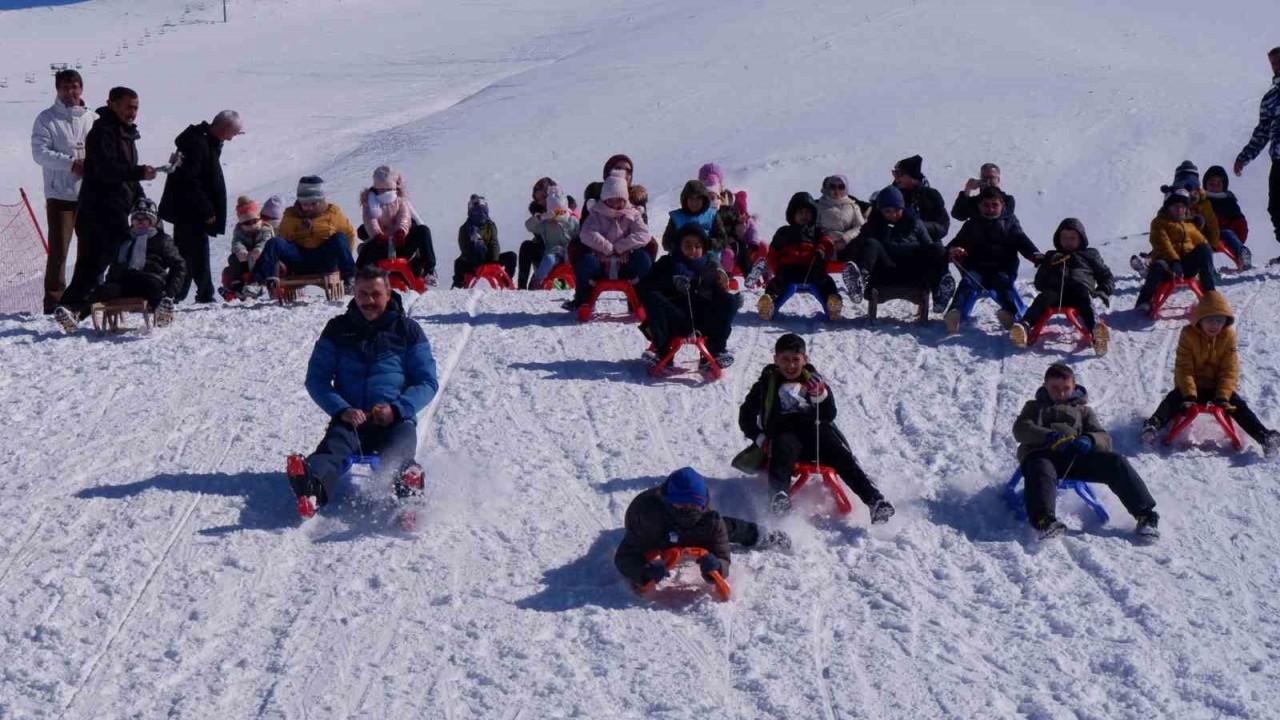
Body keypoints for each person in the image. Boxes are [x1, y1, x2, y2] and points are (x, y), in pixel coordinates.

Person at [289, 266, 439, 516]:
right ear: (354, 295)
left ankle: (409, 496)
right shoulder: (337, 329)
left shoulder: (407, 331)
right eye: (362, 294)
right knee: (332, 450)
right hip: (351, 420)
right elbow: (317, 380)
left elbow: (427, 381)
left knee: (399, 454)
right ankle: (311, 487)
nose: (369, 301)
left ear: (388, 294)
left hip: (395, 420)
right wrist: (342, 409)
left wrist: (397, 409)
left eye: (375, 294)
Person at [738, 333, 895, 521]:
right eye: (785, 359)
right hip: (785, 434)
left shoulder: (815, 382)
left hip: (815, 434)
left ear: (805, 359)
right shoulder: (765, 385)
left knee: (841, 455)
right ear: (775, 360)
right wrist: (759, 437)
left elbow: (829, 415)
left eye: (796, 360)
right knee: (781, 450)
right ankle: (779, 497)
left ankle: (874, 500)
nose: (790, 365)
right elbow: (745, 415)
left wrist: (820, 395)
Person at [1013, 363, 1160, 539]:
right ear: (1045, 386)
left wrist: (1090, 439)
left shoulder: (1083, 411)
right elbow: (1021, 429)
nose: (1060, 393)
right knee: (1041, 467)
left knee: (1115, 462)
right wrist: (1048, 436)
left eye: (1066, 388)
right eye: (1054, 388)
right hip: (1042, 456)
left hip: (1075, 459)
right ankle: (1045, 521)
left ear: (1074, 387)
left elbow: (1104, 438)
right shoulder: (1034, 407)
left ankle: (1145, 515)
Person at [56, 87, 157, 317]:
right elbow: (107, 170)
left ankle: (77, 308)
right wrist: (139, 172)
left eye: (135, 108)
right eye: (128, 107)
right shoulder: (103, 132)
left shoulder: (126, 133)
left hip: (116, 209)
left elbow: (125, 177)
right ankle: (72, 308)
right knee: (95, 263)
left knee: (105, 262)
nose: (132, 113)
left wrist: (140, 196)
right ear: (112, 104)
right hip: (99, 210)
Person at [1141, 291, 1280, 455]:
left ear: (1225, 321)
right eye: (1210, 320)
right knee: (1173, 399)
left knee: (1238, 406)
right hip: (1191, 389)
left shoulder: (1228, 336)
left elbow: (1229, 370)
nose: (1214, 325)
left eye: (1219, 320)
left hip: (1216, 389)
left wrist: (1222, 396)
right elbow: (1184, 368)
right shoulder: (1188, 334)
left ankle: (1264, 437)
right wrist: (1189, 396)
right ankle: (1153, 425)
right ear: (1200, 320)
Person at [613, 467, 789, 594]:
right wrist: (643, 573)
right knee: (657, 538)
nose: (688, 509)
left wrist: (717, 567)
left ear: (702, 504)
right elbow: (625, 557)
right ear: (669, 501)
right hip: (657, 528)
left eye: (694, 505)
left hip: (692, 531)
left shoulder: (708, 520)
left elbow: (723, 555)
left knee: (729, 528)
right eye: (681, 504)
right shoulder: (647, 517)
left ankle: (767, 536)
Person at [55, 198, 184, 332]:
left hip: (149, 279)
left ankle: (162, 311)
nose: (140, 221)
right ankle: (76, 315)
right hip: (123, 281)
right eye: (137, 218)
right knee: (102, 291)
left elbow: (178, 265)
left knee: (155, 288)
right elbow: (106, 259)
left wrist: (170, 292)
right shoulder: (123, 238)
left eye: (145, 218)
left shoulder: (161, 240)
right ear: (132, 220)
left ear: (152, 221)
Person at [158, 110, 241, 304]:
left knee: (190, 252)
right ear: (225, 128)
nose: (231, 139)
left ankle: (185, 293)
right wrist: (207, 209)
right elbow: (190, 180)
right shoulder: (197, 144)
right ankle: (190, 294)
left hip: (191, 209)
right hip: (189, 210)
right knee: (192, 252)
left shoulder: (205, 142)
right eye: (234, 133)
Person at [30, 68, 92, 314]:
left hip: (89, 195)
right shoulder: (46, 119)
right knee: (59, 251)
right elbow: (40, 152)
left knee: (89, 251)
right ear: (57, 90)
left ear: (81, 89)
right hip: (60, 195)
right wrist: (71, 163)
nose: (70, 92)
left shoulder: (92, 118)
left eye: (75, 86)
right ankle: (54, 302)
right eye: (65, 87)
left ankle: (81, 298)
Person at [637, 224, 740, 370]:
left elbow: (719, 294)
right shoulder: (667, 263)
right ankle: (662, 352)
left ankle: (715, 352)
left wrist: (729, 298)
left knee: (728, 300)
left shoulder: (710, 267)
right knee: (653, 297)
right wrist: (670, 281)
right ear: (679, 245)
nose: (693, 250)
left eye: (697, 246)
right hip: (674, 318)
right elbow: (645, 286)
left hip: (703, 320)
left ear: (703, 248)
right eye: (688, 245)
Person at [943, 186, 1042, 332]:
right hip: (977, 268)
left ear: (1002, 205)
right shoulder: (972, 224)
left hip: (1002, 268)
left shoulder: (1010, 223)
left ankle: (1010, 314)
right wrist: (952, 250)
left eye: (994, 205)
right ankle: (955, 313)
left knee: (1003, 283)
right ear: (979, 206)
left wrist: (1035, 256)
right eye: (986, 205)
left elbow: (1022, 242)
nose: (990, 209)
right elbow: (957, 242)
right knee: (967, 282)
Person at [1011, 218, 1113, 354]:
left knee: (1083, 296)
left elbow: (1106, 275)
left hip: (1079, 290)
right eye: (1064, 238)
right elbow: (1039, 284)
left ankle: (1096, 333)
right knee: (1044, 298)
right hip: (1056, 293)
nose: (1068, 241)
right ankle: (1024, 326)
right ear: (1058, 239)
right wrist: (1047, 265)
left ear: (1081, 239)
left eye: (1072, 238)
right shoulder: (1052, 256)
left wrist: (1103, 290)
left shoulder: (1089, 255)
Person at [843, 185, 954, 310]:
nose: (893, 214)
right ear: (881, 210)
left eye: (897, 210)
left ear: (902, 208)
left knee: (936, 247)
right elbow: (858, 247)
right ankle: (860, 282)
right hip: (884, 271)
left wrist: (941, 255)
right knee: (871, 244)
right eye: (888, 211)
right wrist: (853, 259)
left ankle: (939, 290)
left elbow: (928, 245)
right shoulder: (873, 225)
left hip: (913, 270)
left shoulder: (914, 223)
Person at [251, 176, 357, 291]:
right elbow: (283, 238)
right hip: (299, 259)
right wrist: (300, 228)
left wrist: (342, 260)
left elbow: (349, 234)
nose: (309, 207)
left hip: (324, 259)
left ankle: (350, 279)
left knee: (339, 238)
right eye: (305, 204)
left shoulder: (332, 212)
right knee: (275, 242)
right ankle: (256, 283)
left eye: (313, 203)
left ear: (321, 200)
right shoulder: (291, 214)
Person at [568, 171, 653, 308]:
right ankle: (583, 299)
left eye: (619, 199)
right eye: (611, 199)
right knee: (585, 262)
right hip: (600, 264)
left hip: (625, 263)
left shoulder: (633, 214)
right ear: (604, 198)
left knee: (644, 260)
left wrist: (622, 247)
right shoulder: (596, 213)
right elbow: (586, 233)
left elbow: (643, 234)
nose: (615, 203)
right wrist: (606, 248)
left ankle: (640, 298)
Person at [757, 192, 841, 321]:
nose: (804, 216)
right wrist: (777, 269)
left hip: (811, 268)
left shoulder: (817, 232)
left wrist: (821, 249)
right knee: (778, 282)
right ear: (793, 215)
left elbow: (828, 243)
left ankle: (832, 303)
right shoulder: (784, 232)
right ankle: (768, 302)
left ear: (813, 215)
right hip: (789, 268)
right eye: (800, 213)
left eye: (808, 213)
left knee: (825, 281)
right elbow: (773, 254)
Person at [1134, 189, 1216, 314]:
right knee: (1158, 265)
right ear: (1168, 207)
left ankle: (1209, 294)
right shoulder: (1159, 223)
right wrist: (1174, 261)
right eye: (1175, 206)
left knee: (1204, 249)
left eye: (1182, 207)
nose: (1179, 210)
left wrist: (1206, 253)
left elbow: (1202, 242)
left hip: (1186, 267)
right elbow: (1163, 243)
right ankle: (1144, 300)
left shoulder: (1188, 225)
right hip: (1167, 267)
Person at [1232, 47, 1280, 262]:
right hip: (1279, 158)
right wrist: (1245, 156)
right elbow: (1262, 131)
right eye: (1273, 63)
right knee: (1276, 206)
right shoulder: (1270, 98)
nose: (1277, 66)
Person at [355, 165, 437, 283]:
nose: (383, 192)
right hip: (381, 243)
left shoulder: (400, 199)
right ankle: (357, 279)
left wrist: (401, 231)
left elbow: (404, 216)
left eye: (386, 189)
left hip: (401, 242)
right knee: (367, 250)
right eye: (380, 189)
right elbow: (370, 220)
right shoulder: (370, 202)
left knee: (423, 230)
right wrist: (378, 235)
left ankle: (429, 270)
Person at [452, 194, 515, 287]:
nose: (480, 214)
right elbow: (464, 248)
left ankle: (506, 282)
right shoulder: (465, 228)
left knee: (511, 256)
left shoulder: (491, 226)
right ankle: (458, 285)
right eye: (476, 211)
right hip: (473, 261)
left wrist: (494, 260)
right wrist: (475, 244)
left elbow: (494, 243)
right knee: (459, 263)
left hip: (490, 259)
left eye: (482, 211)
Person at [219, 195, 274, 299]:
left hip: (261, 260)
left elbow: (266, 241)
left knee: (260, 259)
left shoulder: (265, 229)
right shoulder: (239, 231)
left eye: (254, 221)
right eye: (247, 223)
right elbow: (236, 242)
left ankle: (255, 284)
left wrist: (259, 249)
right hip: (245, 260)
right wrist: (240, 250)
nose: (251, 225)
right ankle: (237, 288)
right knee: (233, 259)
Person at [525, 186, 578, 289]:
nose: (558, 215)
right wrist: (540, 217)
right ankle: (538, 281)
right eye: (555, 212)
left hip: (570, 253)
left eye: (560, 211)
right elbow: (529, 226)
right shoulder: (546, 224)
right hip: (554, 253)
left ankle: (583, 283)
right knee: (548, 259)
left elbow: (580, 235)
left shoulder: (571, 221)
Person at [660, 179, 726, 256]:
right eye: (691, 199)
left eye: (698, 198)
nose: (694, 202)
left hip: (707, 258)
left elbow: (722, 240)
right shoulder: (676, 217)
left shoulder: (712, 215)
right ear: (685, 200)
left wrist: (709, 244)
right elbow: (666, 242)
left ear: (704, 200)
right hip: (682, 258)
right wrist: (683, 246)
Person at [892, 154, 950, 241]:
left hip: (925, 243)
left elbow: (943, 226)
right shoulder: (894, 194)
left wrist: (919, 226)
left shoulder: (930, 195)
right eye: (894, 174)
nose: (896, 178)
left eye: (899, 174)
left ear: (912, 176)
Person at [1204, 164, 1251, 269]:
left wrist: (1239, 240)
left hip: (1223, 235)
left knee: (1228, 233)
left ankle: (1242, 255)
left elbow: (1240, 223)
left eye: (1218, 184)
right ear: (1205, 184)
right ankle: (1204, 269)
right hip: (1204, 234)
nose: (1214, 187)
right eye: (1211, 183)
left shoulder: (1228, 201)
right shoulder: (1201, 200)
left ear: (1224, 185)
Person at [816, 174, 866, 266]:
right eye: (833, 186)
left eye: (841, 187)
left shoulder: (852, 206)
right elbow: (816, 224)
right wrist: (825, 236)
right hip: (826, 241)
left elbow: (860, 226)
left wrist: (845, 239)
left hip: (847, 243)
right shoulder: (820, 205)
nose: (836, 190)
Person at [517, 177, 556, 289]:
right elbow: (529, 226)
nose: (541, 202)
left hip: (560, 252)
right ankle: (522, 287)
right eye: (538, 199)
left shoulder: (562, 208)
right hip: (545, 252)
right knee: (527, 246)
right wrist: (540, 217)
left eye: (543, 197)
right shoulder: (539, 213)